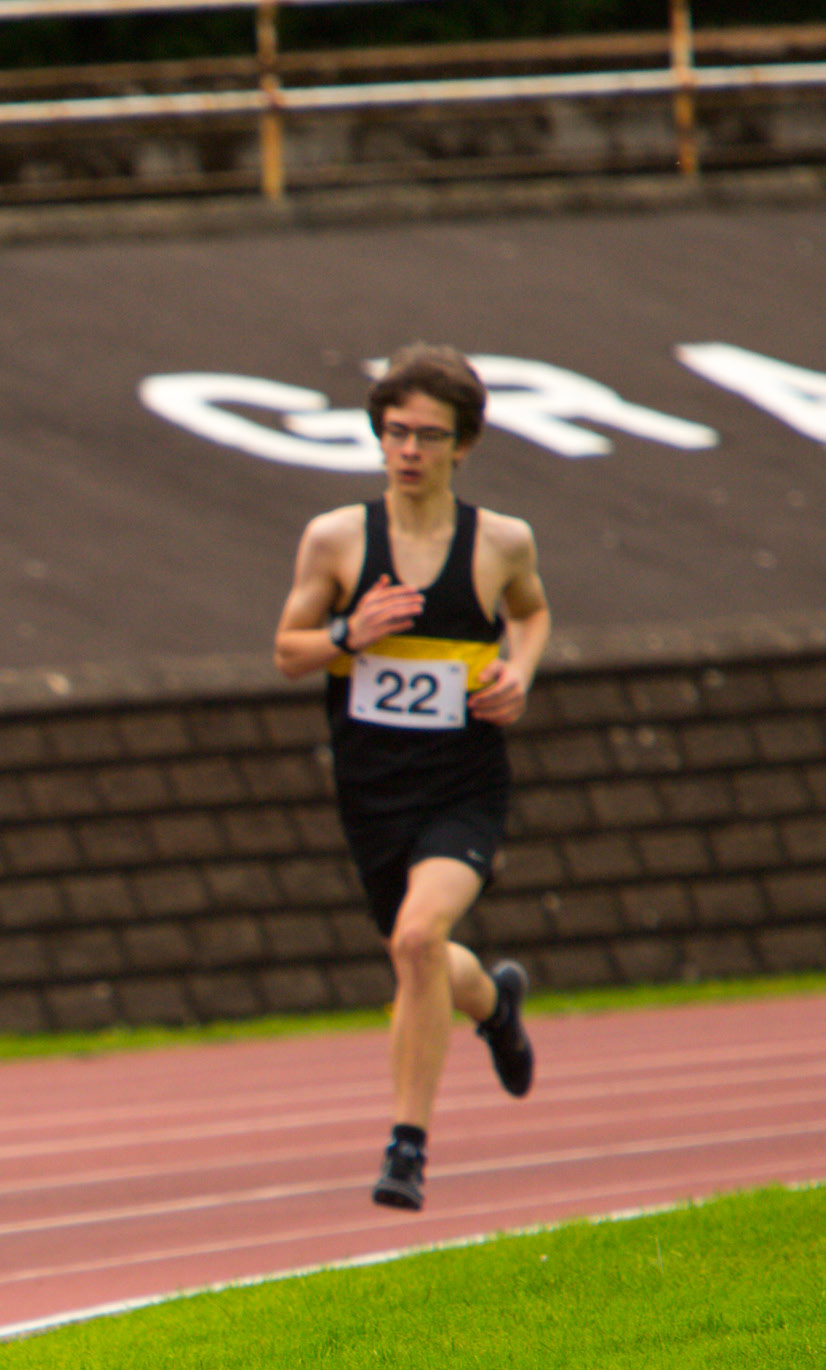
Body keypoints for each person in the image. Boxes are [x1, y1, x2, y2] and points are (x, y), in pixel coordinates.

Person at [272, 344, 547, 1211]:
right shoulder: (338, 539)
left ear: (463, 445)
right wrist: (349, 634)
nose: (409, 450)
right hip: (372, 790)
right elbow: (288, 652)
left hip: (463, 783)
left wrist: (519, 674)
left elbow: (532, 614)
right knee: (421, 952)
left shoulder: (500, 541)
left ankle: (406, 1149)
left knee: (418, 938)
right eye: (396, 432)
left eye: (429, 436)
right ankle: (495, 1006)